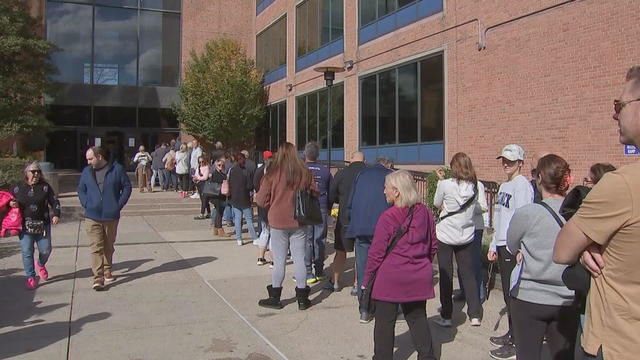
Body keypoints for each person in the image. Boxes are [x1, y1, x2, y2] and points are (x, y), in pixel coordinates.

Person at [554, 66, 640, 360]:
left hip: (618, 343)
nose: (615, 114)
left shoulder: (623, 184)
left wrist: (585, 245)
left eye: (619, 105)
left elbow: (563, 250)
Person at [507, 154, 578, 360]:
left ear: (539, 178)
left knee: (527, 355)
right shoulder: (577, 214)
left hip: (529, 296)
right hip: (566, 297)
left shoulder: (527, 213)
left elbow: (512, 245)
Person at [363, 170, 438, 360]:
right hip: (418, 274)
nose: (384, 192)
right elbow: (433, 244)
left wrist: (366, 281)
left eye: (386, 188)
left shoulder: (388, 217)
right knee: (417, 317)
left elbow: (376, 254)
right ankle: (427, 356)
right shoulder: (425, 212)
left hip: (391, 277)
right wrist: (422, 263)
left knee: (384, 322)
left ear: (396, 191)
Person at [256, 142, 317, 310]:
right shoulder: (304, 172)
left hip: (277, 220)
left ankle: (275, 296)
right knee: (299, 259)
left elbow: (260, 199)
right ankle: (302, 298)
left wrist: (272, 203)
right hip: (299, 220)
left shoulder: (272, 173)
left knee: (279, 260)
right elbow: (315, 191)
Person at [487, 144, 534, 360]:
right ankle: (512, 333)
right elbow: (499, 217)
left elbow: (524, 218)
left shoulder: (521, 186)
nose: (506, 164)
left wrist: (521, 247)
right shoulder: (505, 186)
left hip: (512, 246)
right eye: (504, 160)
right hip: (502, 244)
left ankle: (518, 341)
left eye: (511, 161)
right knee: (508, 295)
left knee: (514, 295)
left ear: (520, 163)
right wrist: (492, 244)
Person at [433, 152, 483, 327]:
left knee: (446, 274)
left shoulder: (445, 185)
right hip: (466, 235)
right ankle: (475, 314)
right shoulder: (475, 186)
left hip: (446, 234)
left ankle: (446, 315)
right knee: (468, 274)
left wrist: (441, 181)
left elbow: (436, 202)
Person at [346, 156, 394, 323]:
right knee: (383, 268)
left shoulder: (361, 175)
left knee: (363, 268)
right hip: (383, 229)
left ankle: (364, 308)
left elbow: (350, 202)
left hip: (361, 227)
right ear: (388, 165)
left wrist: (352, 220)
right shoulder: (391, 176)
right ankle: (382, 305)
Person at [78, 146, 132, 290]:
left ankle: (107, 269)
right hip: (92, 215)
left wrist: (118, 205)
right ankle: (98, 277)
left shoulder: (117, 169)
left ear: (100, 157)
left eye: (91, 159)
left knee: (108, 245)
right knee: (96, 247)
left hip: (110, 215)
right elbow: (81, 189)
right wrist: (86, 203)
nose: (88, 162)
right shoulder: (86, 172)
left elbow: (127, 187)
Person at [10, 162, 61, 290]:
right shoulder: (18, 187)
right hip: (24, 226)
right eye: (33, 171)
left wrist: (56, 214)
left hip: (42, 225)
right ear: (26, 173)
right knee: (27, 251)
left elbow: (54, 201)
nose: (36, 174)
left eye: (38, 171)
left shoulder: (45, 187)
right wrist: (11, 203)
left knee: (46, 249)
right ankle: (31, 277)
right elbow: (7, 199)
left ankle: (40, 264)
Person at [324, 151, 367, 292]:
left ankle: (335, 282)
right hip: (362, 219)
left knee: (340, 251)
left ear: (351, 159)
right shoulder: (369, 173)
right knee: (360, 254)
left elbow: (332, 195)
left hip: (344, 219)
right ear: (364, 160)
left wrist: (333, 206)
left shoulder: (342, 173)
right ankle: (357, 284)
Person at [303, 142, 332, 284]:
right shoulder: (325, 170)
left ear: (305, 154)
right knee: (319, 240)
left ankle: (308, 272)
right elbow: (331, 192)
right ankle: (319, 270)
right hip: (321, 206)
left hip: (305, 207)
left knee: (307, 240)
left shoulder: (301, 169)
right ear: (318, 154)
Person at [228, 152, 258, 246]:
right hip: (244, 198)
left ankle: (239, 238)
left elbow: (230, 183)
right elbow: (249, 186)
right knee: (249, 219)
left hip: (235, 198)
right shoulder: (246, 172)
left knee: (237, 218)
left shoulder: (232, 170)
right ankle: (254, 238)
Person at [253, 150, 273, 266]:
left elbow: (255, 184)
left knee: (265, 232)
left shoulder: (259, 171)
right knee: (273, 235)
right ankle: (273, 260)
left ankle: (261, 257)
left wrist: (259, 193)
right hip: (271, 207)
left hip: (262, 206)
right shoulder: (275, 173)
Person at [209, 157, 229, 237]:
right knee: (219, 212)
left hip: (220, 196)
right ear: (216, 166)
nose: (221, 166)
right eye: (219, 165)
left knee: (219, 211)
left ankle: (216, 228)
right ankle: (220, 229)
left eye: (222, 165)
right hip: (217, 196)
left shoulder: (222, 174)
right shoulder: (215, 174)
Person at [192, 155, 212, 220]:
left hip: (204, 184)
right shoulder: (198, 168)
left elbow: (205, 177)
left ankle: (202, 213)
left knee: (204, 199)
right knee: (203, 199)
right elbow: (196, 175)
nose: (201, 163)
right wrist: (195, 178)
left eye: (202, 162)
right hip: (198, 184)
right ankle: (209, 213)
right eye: (199, 162)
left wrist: (198, 178)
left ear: (205, 161)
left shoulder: (206, 167)